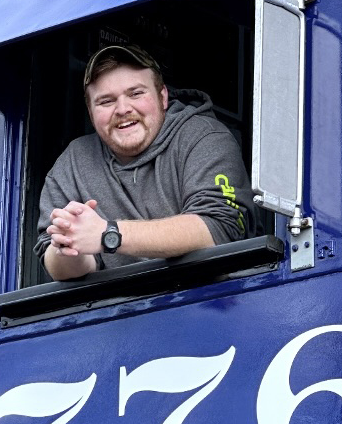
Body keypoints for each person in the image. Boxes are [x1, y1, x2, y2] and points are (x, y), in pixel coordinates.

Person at [34, 44, 259, 281]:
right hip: (123, 303)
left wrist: (108, 234)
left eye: (136, 94)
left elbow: (218, 229)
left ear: (163, 97)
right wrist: (67, 243)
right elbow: (58, 267)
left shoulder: (204, 137)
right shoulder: (73, 162)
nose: (123, 109)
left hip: (221, 298)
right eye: (106, 101)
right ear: (91, 113)